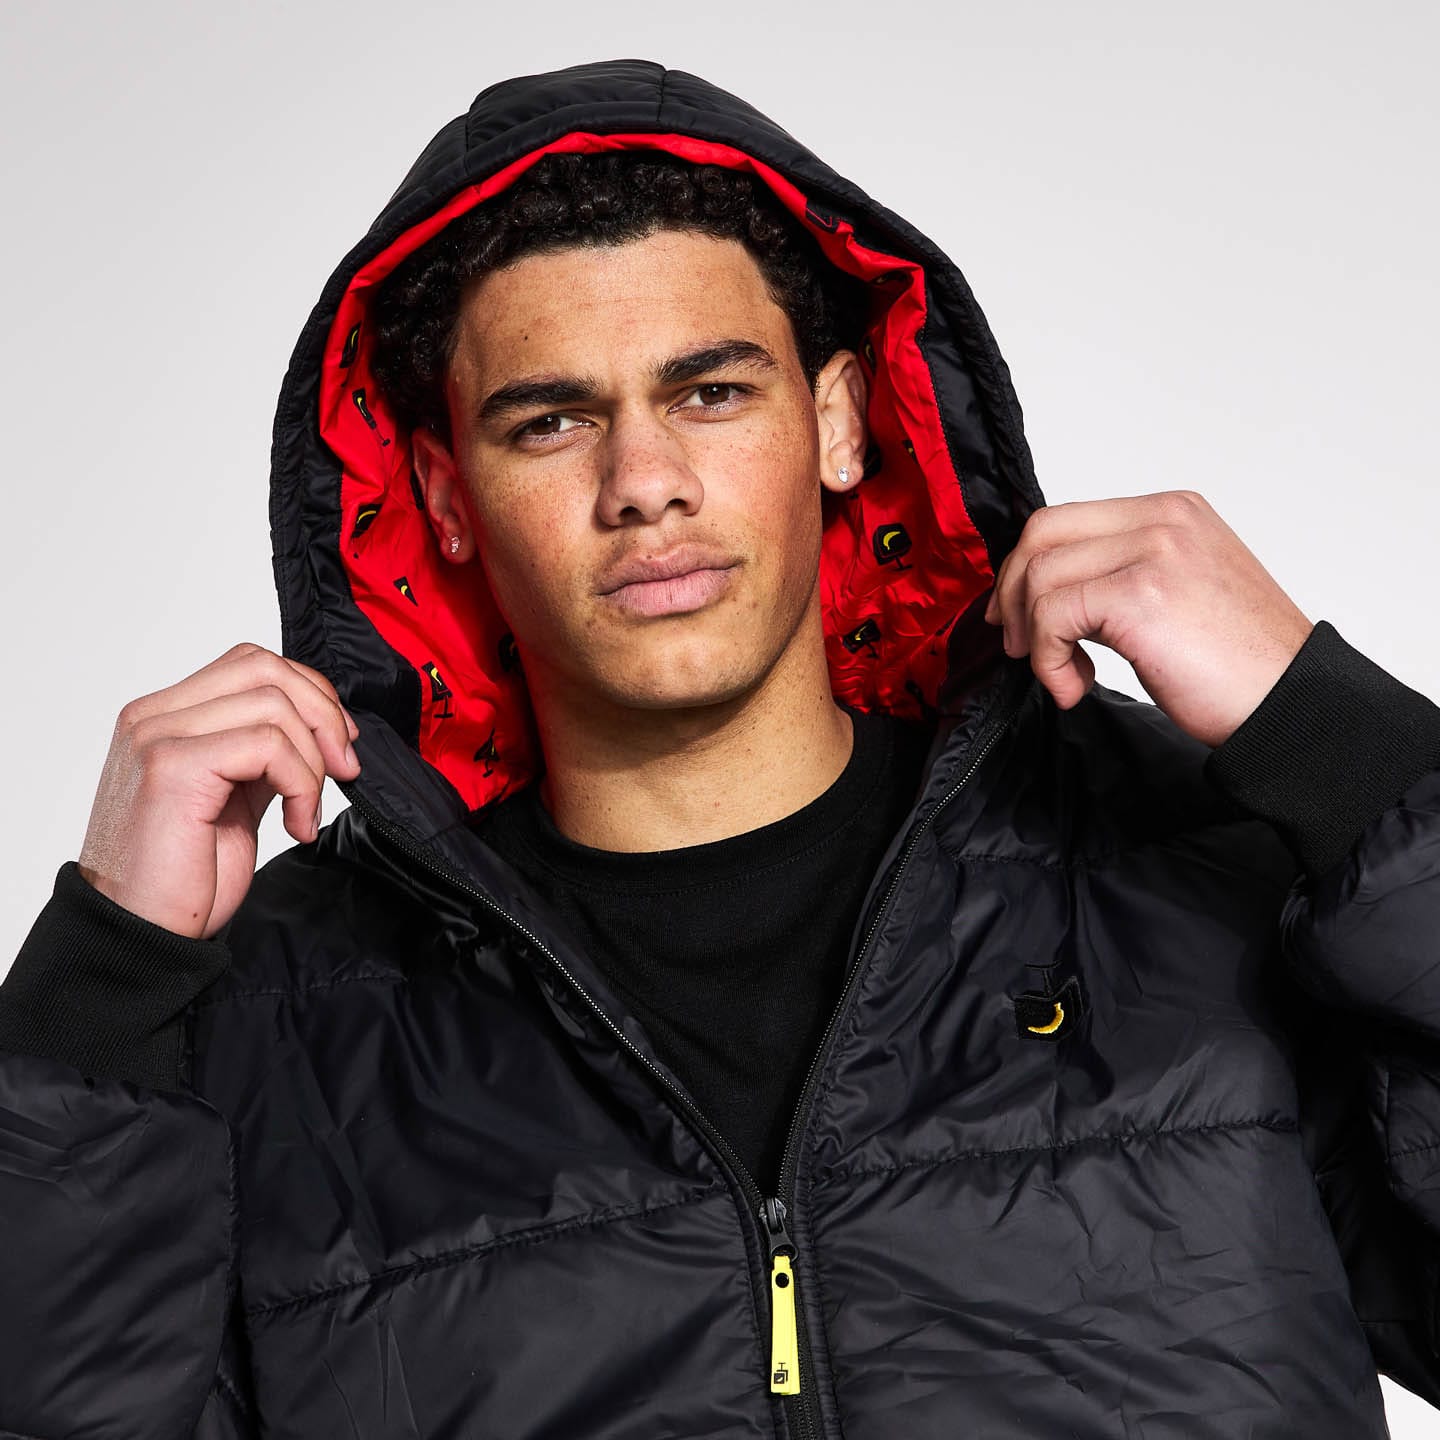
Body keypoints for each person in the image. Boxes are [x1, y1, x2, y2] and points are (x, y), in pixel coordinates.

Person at [1, 55, 1438, 1438]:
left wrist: (1346, 749)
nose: (645, 484)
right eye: (550, 422)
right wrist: (99, 988)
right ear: (442, 497)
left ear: (838, 419)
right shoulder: (269, 1023)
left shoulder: (1195, 867)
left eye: (711, 392)